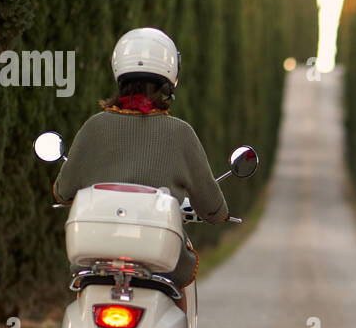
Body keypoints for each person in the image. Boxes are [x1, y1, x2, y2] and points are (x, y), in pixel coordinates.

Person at [52, 26, 229, 311]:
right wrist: (218, 214)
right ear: (170, 78)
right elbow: (213, 208)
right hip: (158, 259)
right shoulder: (181, 134)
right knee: (176, 293)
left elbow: (63, 192)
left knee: (86, 286)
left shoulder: (94, 127)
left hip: (98, 254)